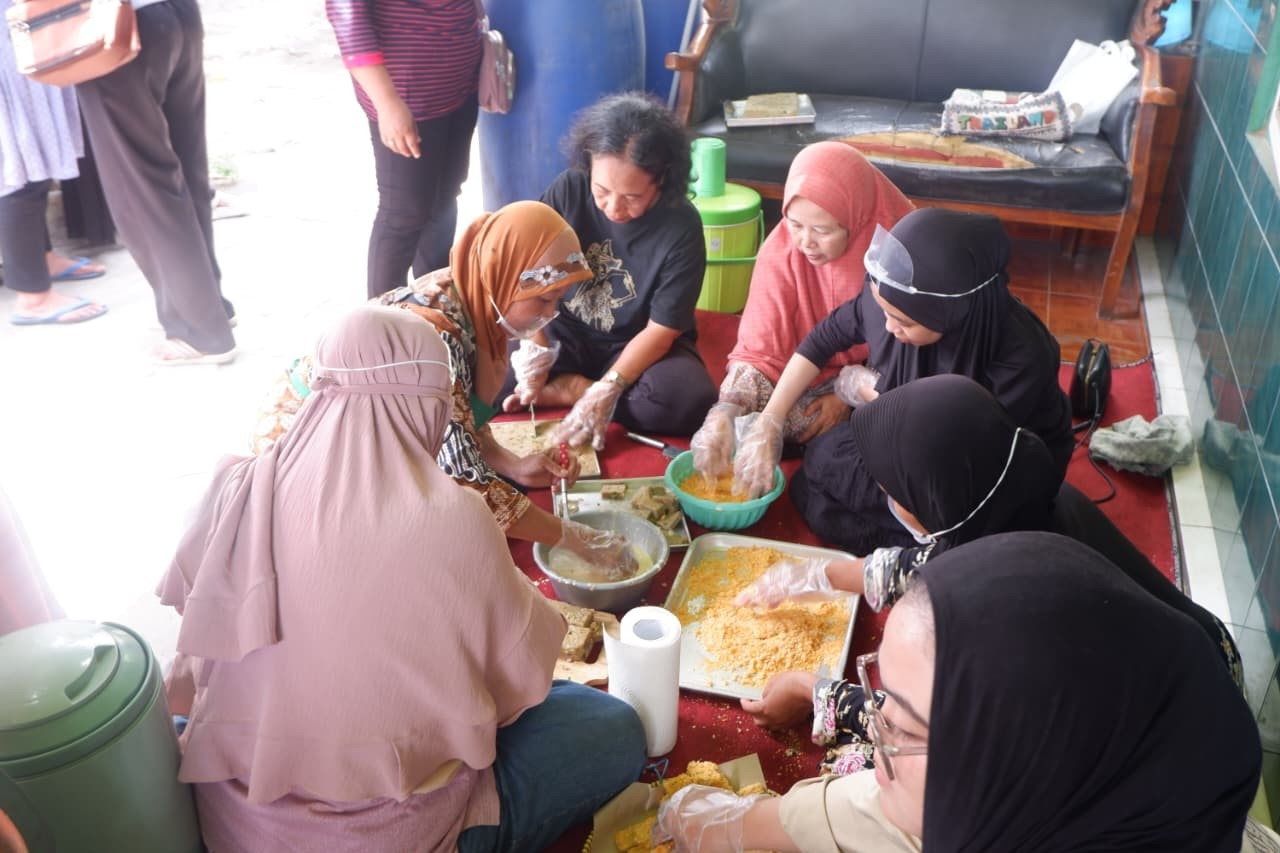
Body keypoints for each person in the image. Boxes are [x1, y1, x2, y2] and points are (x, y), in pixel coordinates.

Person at [158, 306, 647, 852]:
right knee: (611, 728)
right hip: (388, 834)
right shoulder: (452, 518)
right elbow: (515, 695)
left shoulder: (233, 486)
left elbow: (195, 653)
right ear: (428, 407)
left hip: (237, 825)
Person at [736, 374, 1244, 774]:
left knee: (862, 769)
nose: (886, 500)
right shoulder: (1019, 494)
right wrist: (813, 577)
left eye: (893, 490)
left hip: (1159, 762)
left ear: (932, 498)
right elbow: (936, 563)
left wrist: (811, 691)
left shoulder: (992, 612)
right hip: (1201, 663)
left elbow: (940, 736)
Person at [654, 532, 1263, 852]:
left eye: (903, 724)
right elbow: (875, 811)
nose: (877, 730)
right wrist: (737, 825)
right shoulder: (1055, 780)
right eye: (885, 700)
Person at [253, 201, 636, 570]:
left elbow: (458, 420)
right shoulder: (436, 340)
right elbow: (464, 478)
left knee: (495, 505)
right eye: (544, 299)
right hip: (308, 451)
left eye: (558, 301)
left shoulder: (472, 290)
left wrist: (514, 465)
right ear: (504, 275)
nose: (550, 314)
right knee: (451, 539)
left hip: (347, 436)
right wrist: (575, 539)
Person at [733, 207, 1073, 554]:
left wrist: (874, 395)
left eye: (905, 322)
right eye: (884, 311)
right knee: (821, 463)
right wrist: (770, 420)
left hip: (976, 474)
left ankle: (939, 549)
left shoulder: (1019, 354)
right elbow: (823, 340)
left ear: (949, 312)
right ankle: (921, 544)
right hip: (913, 443)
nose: (889, 327)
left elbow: (954, 455)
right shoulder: (890, 296)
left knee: (824, 486)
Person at [500, 92, 718, 450]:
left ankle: (578, 390)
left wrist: (611, 385)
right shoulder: (569, 188)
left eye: (632, 197)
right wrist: (536, 349)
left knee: (686, 400)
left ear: (662, 180)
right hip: (562, 330)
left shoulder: (682, 226)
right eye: (602, 190)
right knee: (481, 366)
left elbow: (662, 330)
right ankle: (576, 389)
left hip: (635, 344)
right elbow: (528, 273)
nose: (613, 207)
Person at [690, 141, 912, 471]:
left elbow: (909, 359)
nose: (805, 242)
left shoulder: (896, 255)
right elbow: (759, 352)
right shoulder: (782, 252)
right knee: (739, 416)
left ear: (856, 218)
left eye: (821, 230)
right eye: (794, 224)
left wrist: (845, 398)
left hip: (877, 383)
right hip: (799, 374)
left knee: (892, 427)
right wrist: (726, 410)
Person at [75, 0, 236, 364]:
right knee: (187, 168)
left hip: (110, 24)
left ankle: (198, 329)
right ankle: (210, 306)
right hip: (174, 12)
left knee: (142, 188)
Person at [326, 0, 482, 300]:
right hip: (407, 99)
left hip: (460, 88)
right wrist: (387, 104)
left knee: (444, 198)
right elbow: (349, 21)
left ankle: (437, 303)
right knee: (404, 214)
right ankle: (384, 317)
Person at [0, 0, 108, 327]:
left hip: (16, 35)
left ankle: (42, 258)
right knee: (17, 168)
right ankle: (33, 297)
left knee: (35, 155)